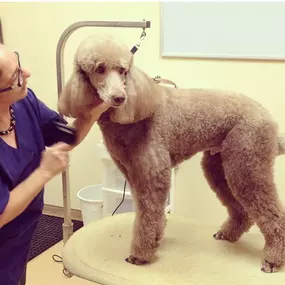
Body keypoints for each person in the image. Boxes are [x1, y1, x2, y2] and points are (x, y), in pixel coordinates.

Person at [0, 44, 109, 285]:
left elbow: (65, 138)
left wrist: (94, 112)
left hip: (19, 242)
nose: (26, 73)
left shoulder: (24, 101)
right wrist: (44, 172)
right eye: (16, 75)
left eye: (19, 62)